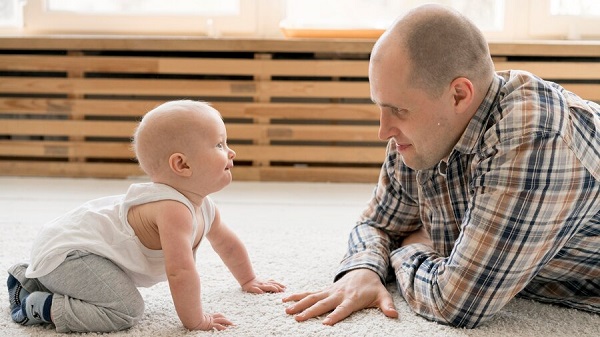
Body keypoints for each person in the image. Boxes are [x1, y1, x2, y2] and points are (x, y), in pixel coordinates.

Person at [283, 4, 600, 329]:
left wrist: (409, 248)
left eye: (398, 109)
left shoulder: (535, 137)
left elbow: (456, 303)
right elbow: (378, 224)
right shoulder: (426, 135)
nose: (384, 131)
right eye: (380, 106)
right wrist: (362, 269)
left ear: (459, 95)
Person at [7, 100, 285, 333]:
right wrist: (195, 320)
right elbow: (180, 272)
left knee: (113, 296)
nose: (231, 151)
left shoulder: (204, 205)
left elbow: (227, 243)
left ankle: (30, 276)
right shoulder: (172, 209)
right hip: (70, 255)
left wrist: (248, 280)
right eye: (220, 145)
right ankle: (35, 303)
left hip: (76, 251)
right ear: (182, 164)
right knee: (125, 310)